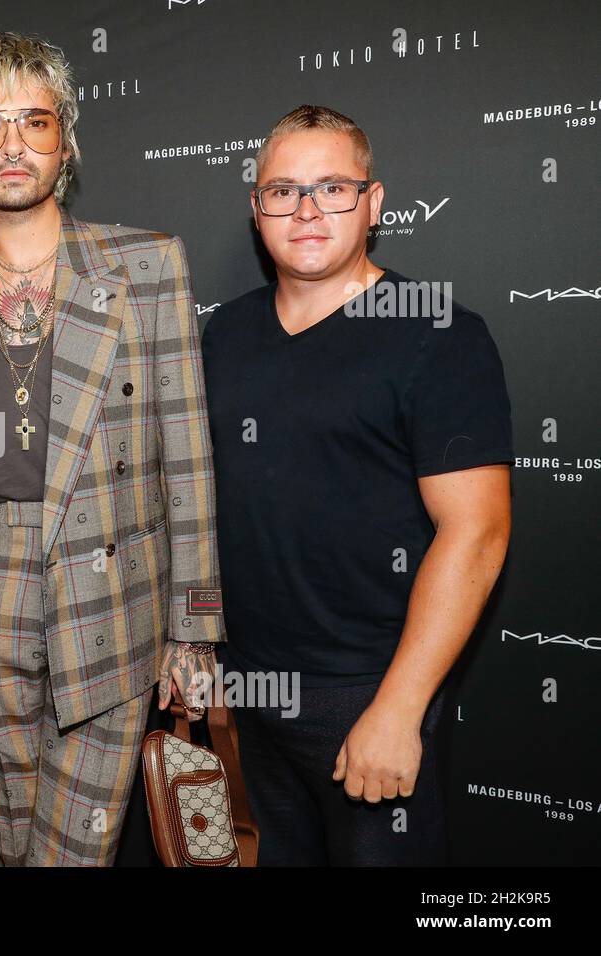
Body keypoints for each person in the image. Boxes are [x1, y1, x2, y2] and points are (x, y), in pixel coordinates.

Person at [0, 32, 224, 867]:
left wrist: (196, 632)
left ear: (65, 141)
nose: (11, 145)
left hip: (108, 594)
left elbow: (186, 454)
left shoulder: (145, 266)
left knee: (71, 853)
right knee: (13, 844)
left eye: (33, 123)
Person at [202, 104, 513, 865]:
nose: (306, 209)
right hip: (246, 689)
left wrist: (399, 710)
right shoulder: (223, 333)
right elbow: (205, 508)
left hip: (367, 691)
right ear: (256, 208)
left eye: (332, 187)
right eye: (283, 191)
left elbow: (477, 532)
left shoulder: (437, 333)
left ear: (372, 204)